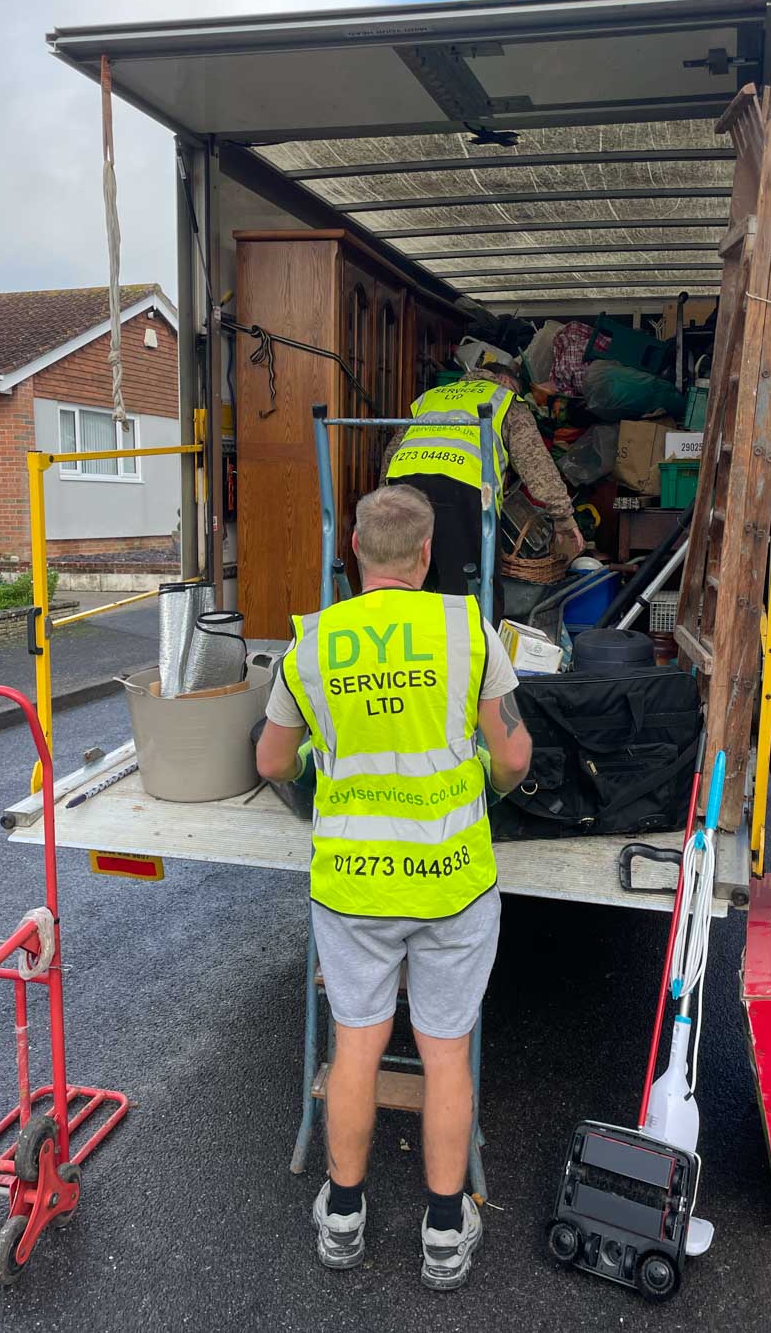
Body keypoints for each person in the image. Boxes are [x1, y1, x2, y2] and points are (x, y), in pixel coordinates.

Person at [256, 484, 532, 1292]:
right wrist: (487, 783)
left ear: (353, 553)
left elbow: (273, 762)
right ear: (422, 558)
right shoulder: (467, 632)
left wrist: (318, 766)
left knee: (356, 1046)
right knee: (445, 1053)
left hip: (352, 887)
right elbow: (512, 759)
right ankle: (444, 1231)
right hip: (451, 884)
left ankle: (343, 1214)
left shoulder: (310, 643)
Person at [380, 361, 584, 613]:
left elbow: (390, 453)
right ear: (507, 381)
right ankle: (478, 648)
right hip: (461, 491)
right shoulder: (504, 398)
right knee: (471, 590)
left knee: (407, 585)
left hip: (402, 488)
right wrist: (563, 517)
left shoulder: (429, 398)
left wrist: (382, 502)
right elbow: (535, 463)